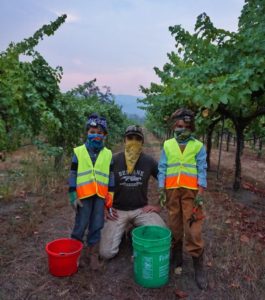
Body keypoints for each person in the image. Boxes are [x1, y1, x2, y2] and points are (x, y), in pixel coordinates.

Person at [158, 108, 207, 290]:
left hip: (191, 194)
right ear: (174, 126)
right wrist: (161, 189)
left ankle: (198, 265)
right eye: (179, 126)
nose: (182, 129)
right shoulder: (168, 145)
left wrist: (200, 193)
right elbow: (163, 167)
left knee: (193, 229)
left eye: (186, 127)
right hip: (172, 192)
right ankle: (177, 258)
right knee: (175, 225)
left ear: (192, 128)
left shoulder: (198, 146)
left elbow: (202, 169)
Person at [99, 125, 165, 259]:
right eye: (130, 138)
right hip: (117, 211)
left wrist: (159, 205)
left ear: (142, 142)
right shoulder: (113, 160)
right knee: (106, 253)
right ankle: (122, 231)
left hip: (141, 210)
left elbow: (167, 182)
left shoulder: (148, 161)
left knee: (162, 235)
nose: (133, 141)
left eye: (137, 139)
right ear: (124, 140)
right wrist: (104, 208)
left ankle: (134, 230)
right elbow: (100, 185)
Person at [68, 113, 114, 270]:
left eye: (100, 133)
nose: (96, 135)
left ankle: (93, 256)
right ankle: (76, 256)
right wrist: (72, 194)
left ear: (105, 135)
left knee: (97, 224)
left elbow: (111, 175)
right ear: (87, 132)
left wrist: (111, 194)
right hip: (84, 195)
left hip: (100, 196)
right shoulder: (79, 151)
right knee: (81, 224)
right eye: (92, 132)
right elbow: (73, 173)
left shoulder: (108, 154)